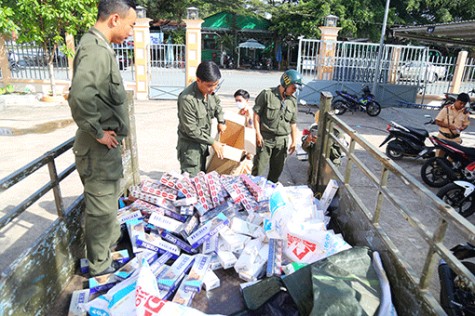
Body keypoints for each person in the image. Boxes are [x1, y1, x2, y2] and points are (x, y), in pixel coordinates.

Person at [68, 0, 137, 276]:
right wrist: (97, 132)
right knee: (100, 213)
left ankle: (105, 259)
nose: (131, 31)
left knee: (108, 209)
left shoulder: (100, 48)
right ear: (114, 19)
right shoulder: (96, 50)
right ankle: (100, 271)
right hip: (97, 152)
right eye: (130, 25)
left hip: (104, 153)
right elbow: (80, 97)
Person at [252, 69, 302, 183]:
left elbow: (293, 123)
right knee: (258, 171)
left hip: (282, 141)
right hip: (266, 139)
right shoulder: (267, 95)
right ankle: (253, 192)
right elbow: (256, 114)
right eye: (293, 88)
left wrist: (294, 141)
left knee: (276, 172)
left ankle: (269, 194)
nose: (295, 91)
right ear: (286, 84)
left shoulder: (292, 101)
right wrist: (258, 134)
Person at [177, 61, 226, 176]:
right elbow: (191, 130)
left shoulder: (209, 92)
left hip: (203, 145)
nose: (213, 89)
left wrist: (221, 120)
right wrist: (213, 142)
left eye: (216, 85)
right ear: (198, 80)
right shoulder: (187, 99)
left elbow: (217, 105)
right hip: (191, 150)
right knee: (192, 184)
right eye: (210, 85)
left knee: (203, 179)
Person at [435, 92, 471, 156]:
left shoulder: (465, 113)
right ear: (456, 100)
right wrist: (448, 126)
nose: (462, 105)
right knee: (439, 158)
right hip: (443, 137)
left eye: (464, 104)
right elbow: (437, 121)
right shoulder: (446, 109)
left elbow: (466, 124)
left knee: (453, 158)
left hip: (455, 139)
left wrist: (463, 128)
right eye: (461, 103)